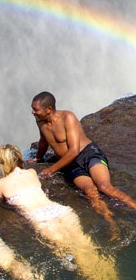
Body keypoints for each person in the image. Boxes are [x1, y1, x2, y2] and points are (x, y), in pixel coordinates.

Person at [0, 144, 118, 280]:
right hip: (61, 210)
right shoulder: (31, 172)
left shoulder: (0, 184)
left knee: (73, 254)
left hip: (41, 219)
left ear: (2, 163)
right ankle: (111, 275)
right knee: (87, 246)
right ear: (19, 157)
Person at [31, 91, 136, 238]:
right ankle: (112, 224)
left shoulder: (68, 117)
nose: (33, 112)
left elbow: (74, 151)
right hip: (71, 165)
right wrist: (38, 159)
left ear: (48, 109)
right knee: (90, 192)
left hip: (88, 154)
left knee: (104, 187)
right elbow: (43, 141)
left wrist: (51, 169)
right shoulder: (40, 122)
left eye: (36, 109)